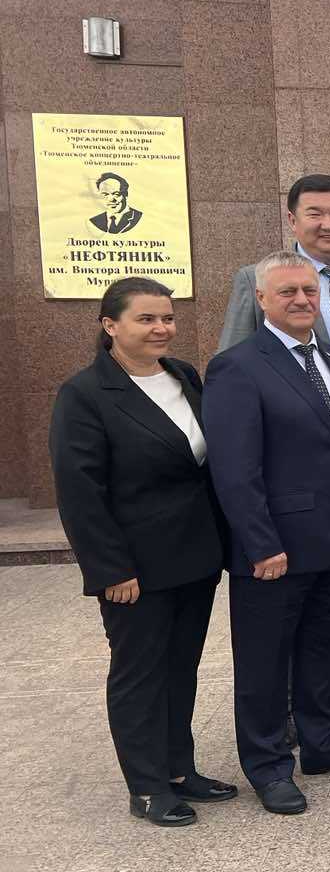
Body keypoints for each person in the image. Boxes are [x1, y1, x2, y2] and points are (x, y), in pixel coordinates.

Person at [204, 252, 330, 814]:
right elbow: (235, 469)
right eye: (287, 292)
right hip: (274, 549)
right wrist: (260, 544)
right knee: (265, 664)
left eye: (309, 290)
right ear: (261, 299)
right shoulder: (237, 366)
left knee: (323, 649)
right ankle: (267, 766)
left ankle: (324, 743)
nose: (302, 300)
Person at [50, 278, 233, 827]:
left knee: (181, 668)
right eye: (146, 319)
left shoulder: (183, 376)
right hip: (135, 568)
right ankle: (147, 786)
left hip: (195, 556)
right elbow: (80, 492)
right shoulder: (85, 394)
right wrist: (110, 568)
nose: (161, 329)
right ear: (111, 326)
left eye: (167, 318)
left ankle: (179, 770)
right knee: (139, 674)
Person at [219, 174, 330, 710]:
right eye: (315, 213)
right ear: (293, 219)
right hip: (298, 464)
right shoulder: (257, 278)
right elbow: (236, 361)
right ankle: (291, 706)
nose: (328, 223)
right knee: (304, 601)